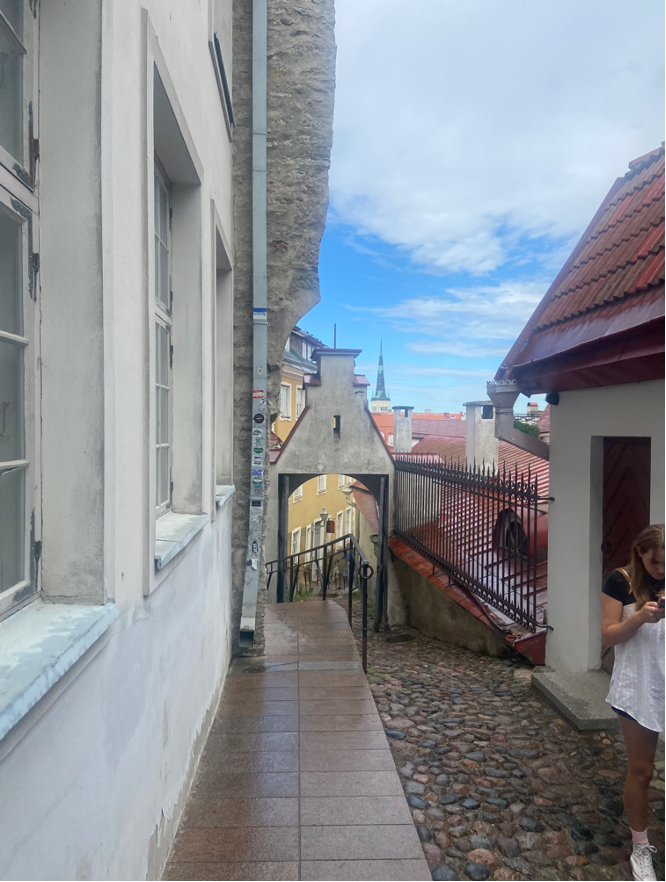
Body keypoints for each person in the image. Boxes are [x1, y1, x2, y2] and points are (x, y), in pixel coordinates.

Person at [602, 524, 665, 882]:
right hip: (638, 687)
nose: (661, 570)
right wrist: (641, 616)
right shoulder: (619, 581)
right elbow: (608, 635)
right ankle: (641, 847)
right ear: (640, 553)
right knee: (642, 771)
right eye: (655, 563)